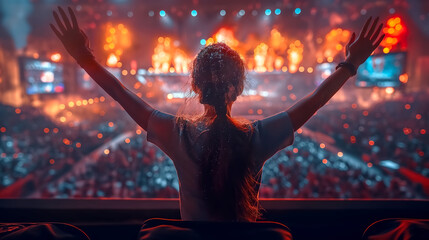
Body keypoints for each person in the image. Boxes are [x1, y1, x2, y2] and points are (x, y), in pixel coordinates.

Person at [50, 6, 384, 238]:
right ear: (238, 88)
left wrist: (84, 58)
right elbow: (313, 102)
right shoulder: (257, 136)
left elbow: (120, 92)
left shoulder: (177, 133)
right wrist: (351, 63)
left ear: (195, 87)